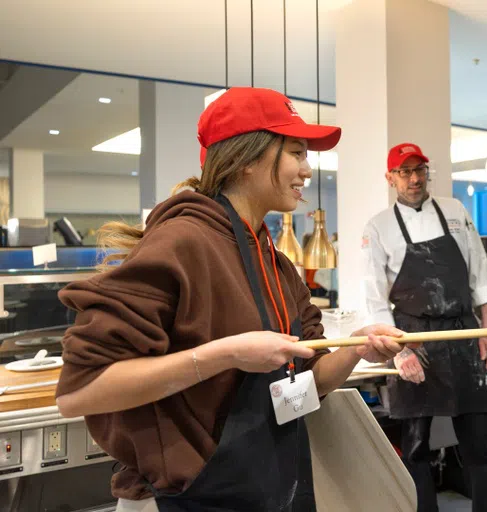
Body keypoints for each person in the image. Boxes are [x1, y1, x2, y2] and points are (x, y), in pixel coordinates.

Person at [54, 87, 407, 512]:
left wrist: (357, 347)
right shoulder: (183, 242)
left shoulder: (275, 264)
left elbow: (310, 384)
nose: (307, 170)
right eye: (296, 152)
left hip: (276, 485)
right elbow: (80, 392)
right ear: (247, 160)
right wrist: (226, 354)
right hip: (199, 495)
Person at [362, 142, 487, 512]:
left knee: (480, 446)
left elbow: (479, 270)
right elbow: (375, 298)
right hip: (414, 340)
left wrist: (486, 331)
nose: (413, 178)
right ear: (390, 177)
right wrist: (401, 351)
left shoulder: (455, 210)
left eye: (419, 169)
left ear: (427, 171)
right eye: (405, 171)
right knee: (414, 449)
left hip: (462, 334)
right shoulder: (378, 227)